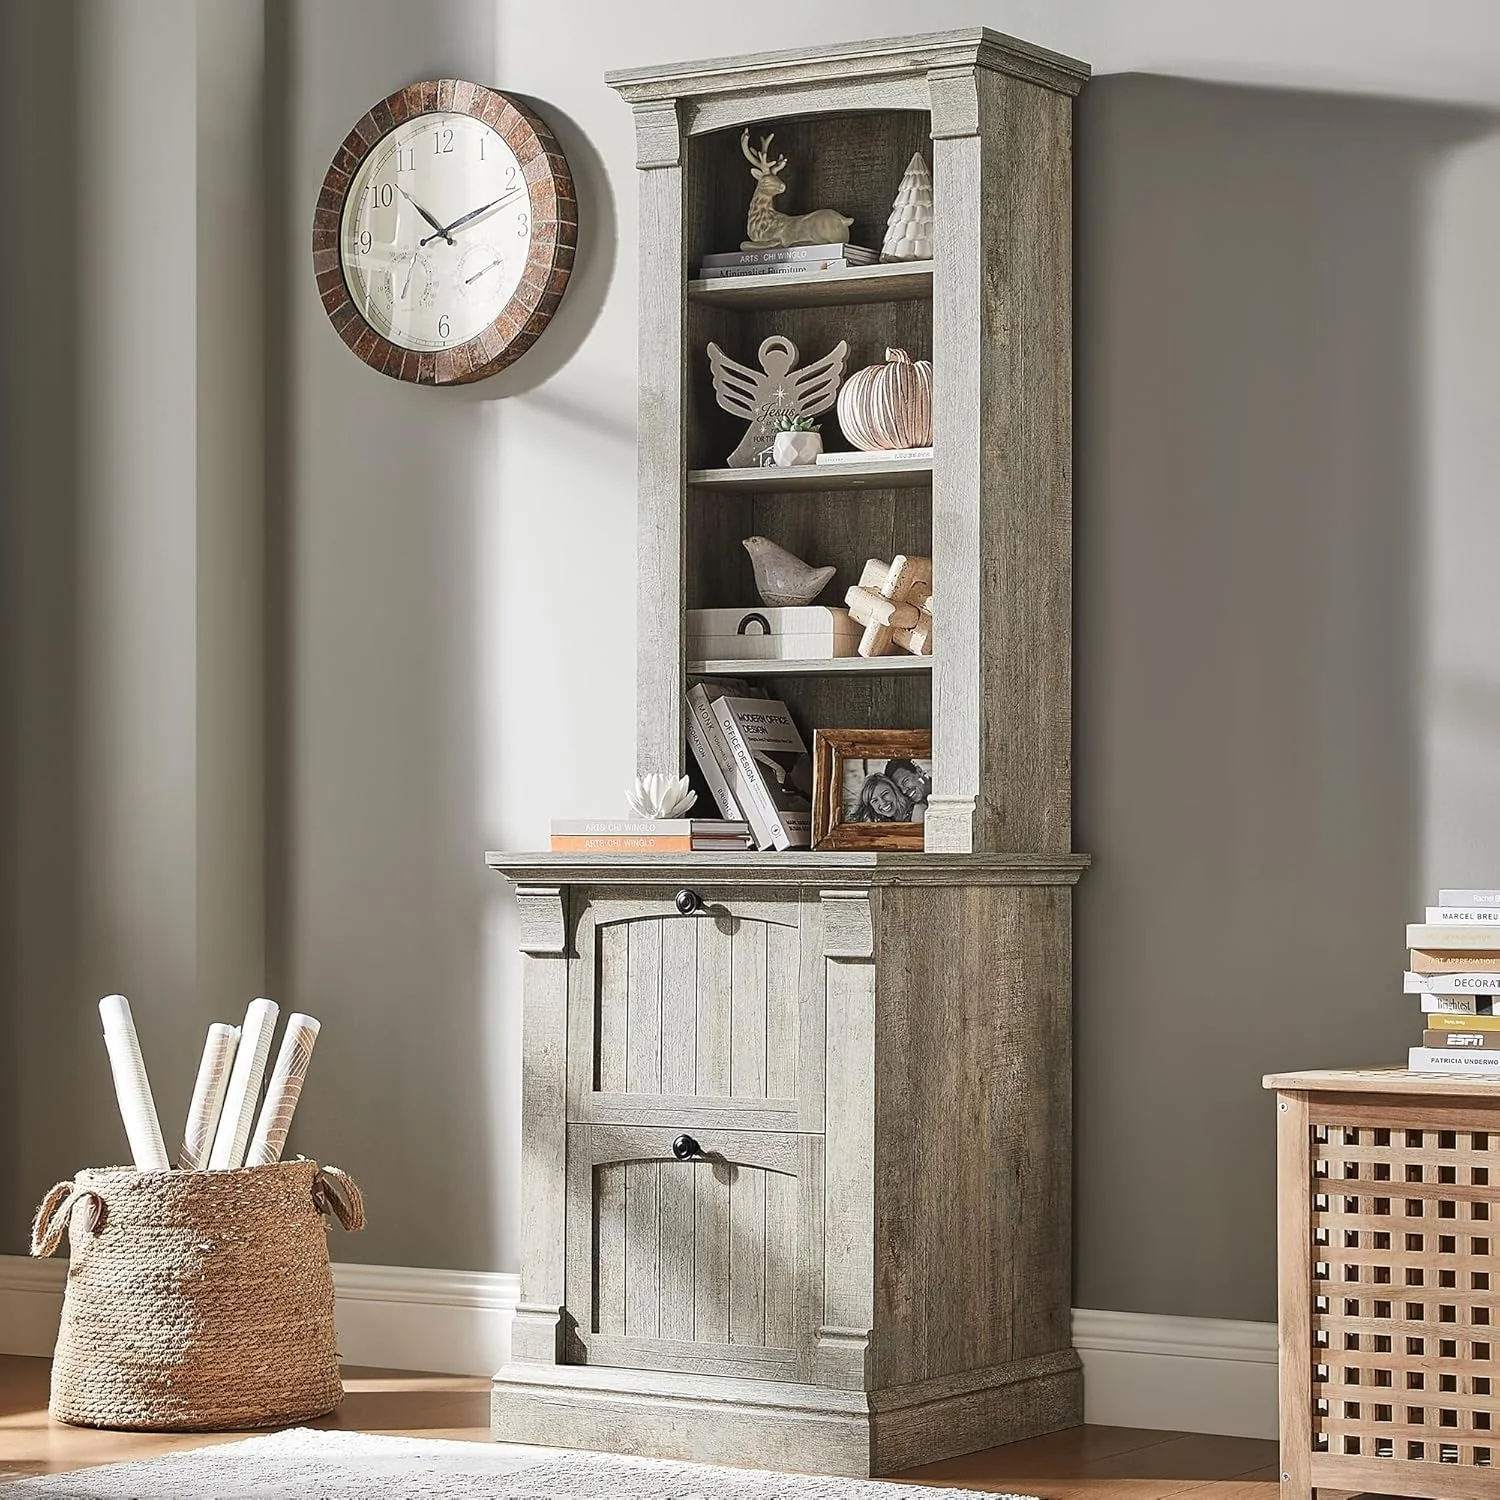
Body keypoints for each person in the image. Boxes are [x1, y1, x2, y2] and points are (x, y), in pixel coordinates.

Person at [847, 769, 912, 823]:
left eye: (885, 794)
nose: (883, 802)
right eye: (875, 800)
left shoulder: (915, 810)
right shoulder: (876, 819)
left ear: (894, 789)